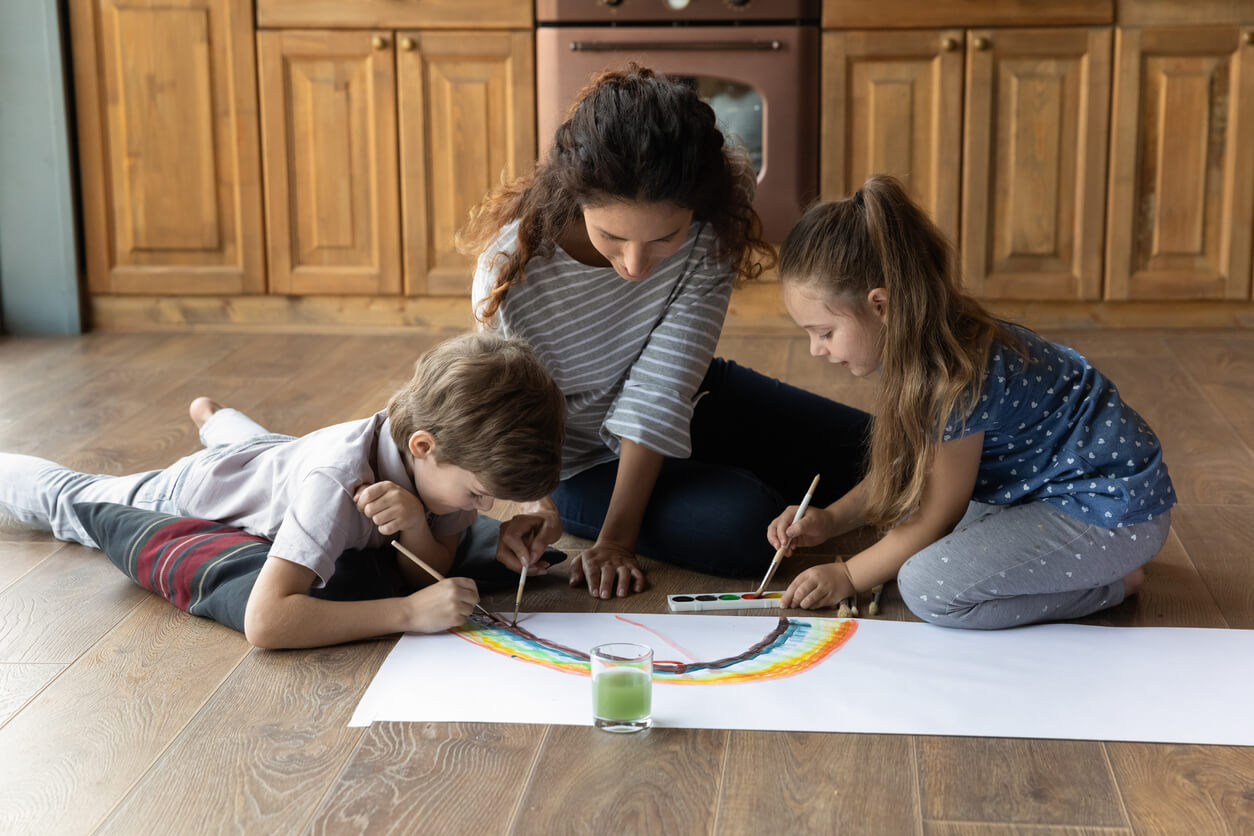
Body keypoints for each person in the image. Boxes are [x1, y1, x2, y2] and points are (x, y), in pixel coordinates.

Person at [460, 64, 872, 599]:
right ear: (574, 195)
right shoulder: (510, 270)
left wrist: (620, 540)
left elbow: (664, 384)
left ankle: (713, 470)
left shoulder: (714, 219)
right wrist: (567, 518)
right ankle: (722, 480)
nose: (634, 265)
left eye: (663, 238)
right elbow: (514, 418)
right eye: (611, 236)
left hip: (690, 396)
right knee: (749, 528)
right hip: (581, 458)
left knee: (884, 451)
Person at [769, 174, 1176, 629]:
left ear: (880, 306)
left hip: (1113, 510)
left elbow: (932, 522)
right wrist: (829, 521)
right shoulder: (919, 345)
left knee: (927, 587)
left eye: (824, 333)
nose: (816, 350)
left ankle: (1114, 584)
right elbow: (906, 472)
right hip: (1048, 491)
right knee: (904, 524)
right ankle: (1094, 564)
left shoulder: (952, 376)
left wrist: (847, 574)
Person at [0, 333, 566, 648]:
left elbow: (431, 564)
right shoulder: (336, 485)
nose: (482, 510)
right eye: (477, 495)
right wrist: (406, 614)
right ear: (422, 447)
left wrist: (417, 524)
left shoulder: (440, 469)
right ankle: (215, 426)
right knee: (70, 497)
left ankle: (214, 416)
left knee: (268, 446)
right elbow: (265, 622)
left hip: (281, 455)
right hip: (198, 487)